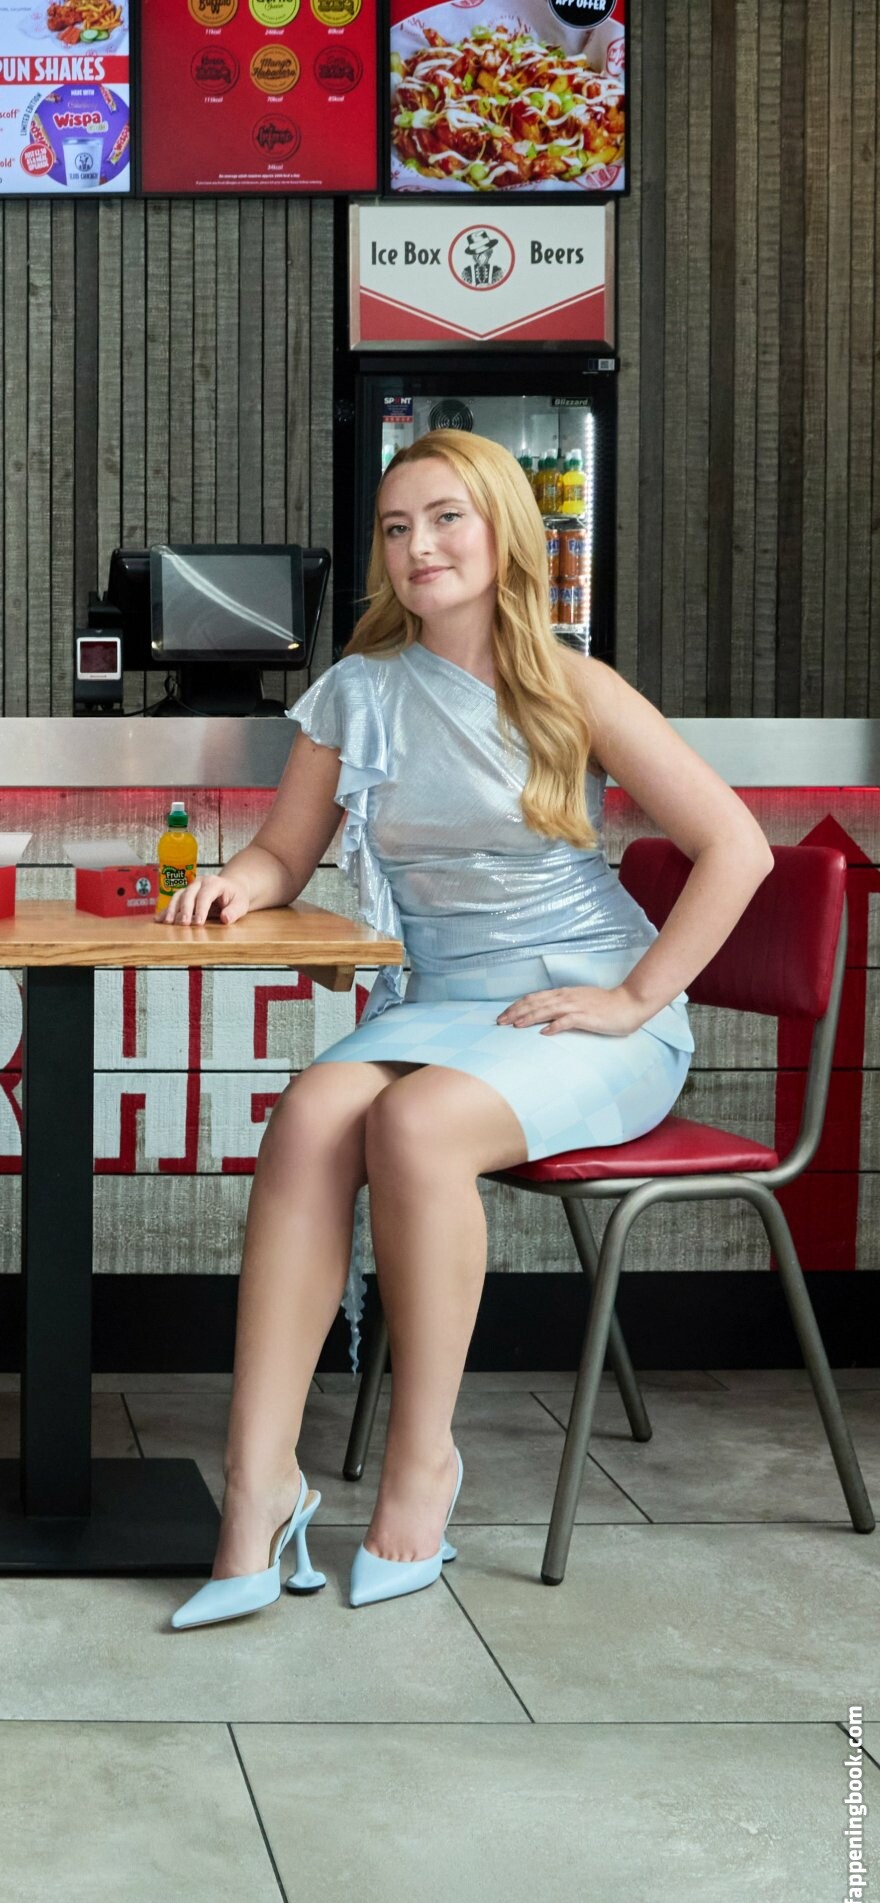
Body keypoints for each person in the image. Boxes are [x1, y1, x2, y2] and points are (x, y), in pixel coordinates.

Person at [160, 429, 772, 1624]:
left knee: (417, 1126)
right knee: (311, 1114)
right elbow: (287, 850)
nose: (419, 546)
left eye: (446, 518)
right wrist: (239, 881)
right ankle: (258, 1488)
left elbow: (736, 847)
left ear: (504, 534)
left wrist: (637, 997)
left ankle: (421, 1468)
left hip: (580, 1008)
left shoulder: (573, 685)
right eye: (397, 528)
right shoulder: (357, 690)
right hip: (440, 1000)